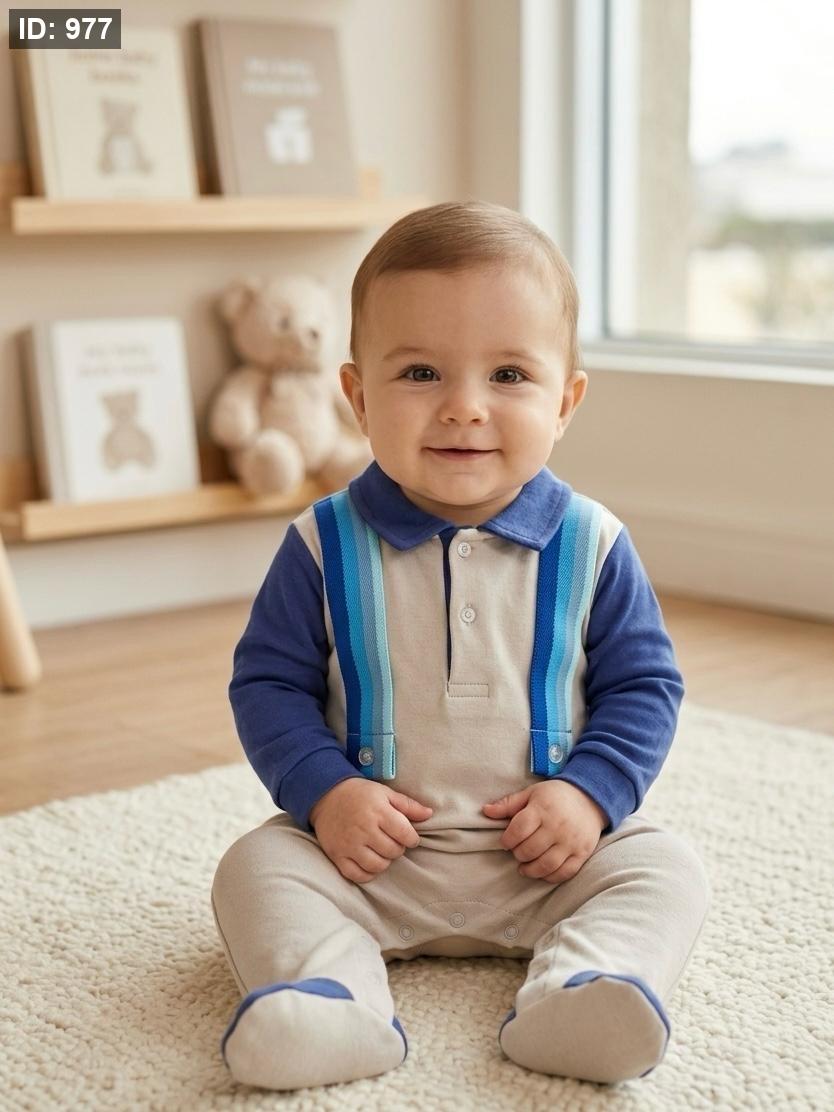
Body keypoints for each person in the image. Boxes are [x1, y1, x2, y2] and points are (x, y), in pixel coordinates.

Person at [211, 200, 711, 1092]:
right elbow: (268, 686)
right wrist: (327, 794)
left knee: (666, 868)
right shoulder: (322, 544)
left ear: (565, 402)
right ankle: (331, 1002)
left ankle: (586, 993)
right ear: (359, 398)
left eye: (509, 374)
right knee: (255, 868)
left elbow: (644, 687)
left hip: (545, 863)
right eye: (421, 373)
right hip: (370, 863)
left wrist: (589, 796)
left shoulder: (594, 544)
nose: (464, 408)